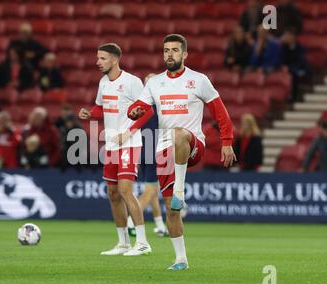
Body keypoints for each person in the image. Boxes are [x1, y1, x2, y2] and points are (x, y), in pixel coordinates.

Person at [127, 34, 236, 270]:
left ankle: (180, 189)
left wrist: (227, 141)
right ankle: (180, 259)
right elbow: (139, 107)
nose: (170, 54)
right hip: (164, 151)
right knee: (171, 210)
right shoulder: (154, 82)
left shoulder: (199, 80)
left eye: (175, 50)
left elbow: (220, 112)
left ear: (185, 54)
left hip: (192, 144)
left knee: (179, 133)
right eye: (166, 50)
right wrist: (133, 112)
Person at [78, 43, 151, 256]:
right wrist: (90, 113)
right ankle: (123, 243)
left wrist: (129, 132)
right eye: (97, 58)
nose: (97, 62)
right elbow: (102, 106)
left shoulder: (132, 82)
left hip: (129, 143)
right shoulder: (103, 83)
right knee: (113, 193)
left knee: (126, 190)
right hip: (111, 144)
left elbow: (147, 111)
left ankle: (144, 242)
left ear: (115, 59)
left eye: (102, 58)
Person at [127, 73, 167, 238]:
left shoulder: (139, 105)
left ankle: (160, 226)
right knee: (151, 191)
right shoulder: (160, 103)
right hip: (154, 150)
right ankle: (131, 221)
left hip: (140, 150)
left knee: (151, 188)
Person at [280, 29, 309, 101]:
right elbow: (282, 60)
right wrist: (283, 66)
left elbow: (301, 62)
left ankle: (293, 97)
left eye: (287, 35)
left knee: (294, 75)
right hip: (287, 70)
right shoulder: (284, 48)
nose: (286, 37)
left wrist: (289, 68)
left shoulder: (300, 48)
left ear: (293, 37)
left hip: (299, 69)